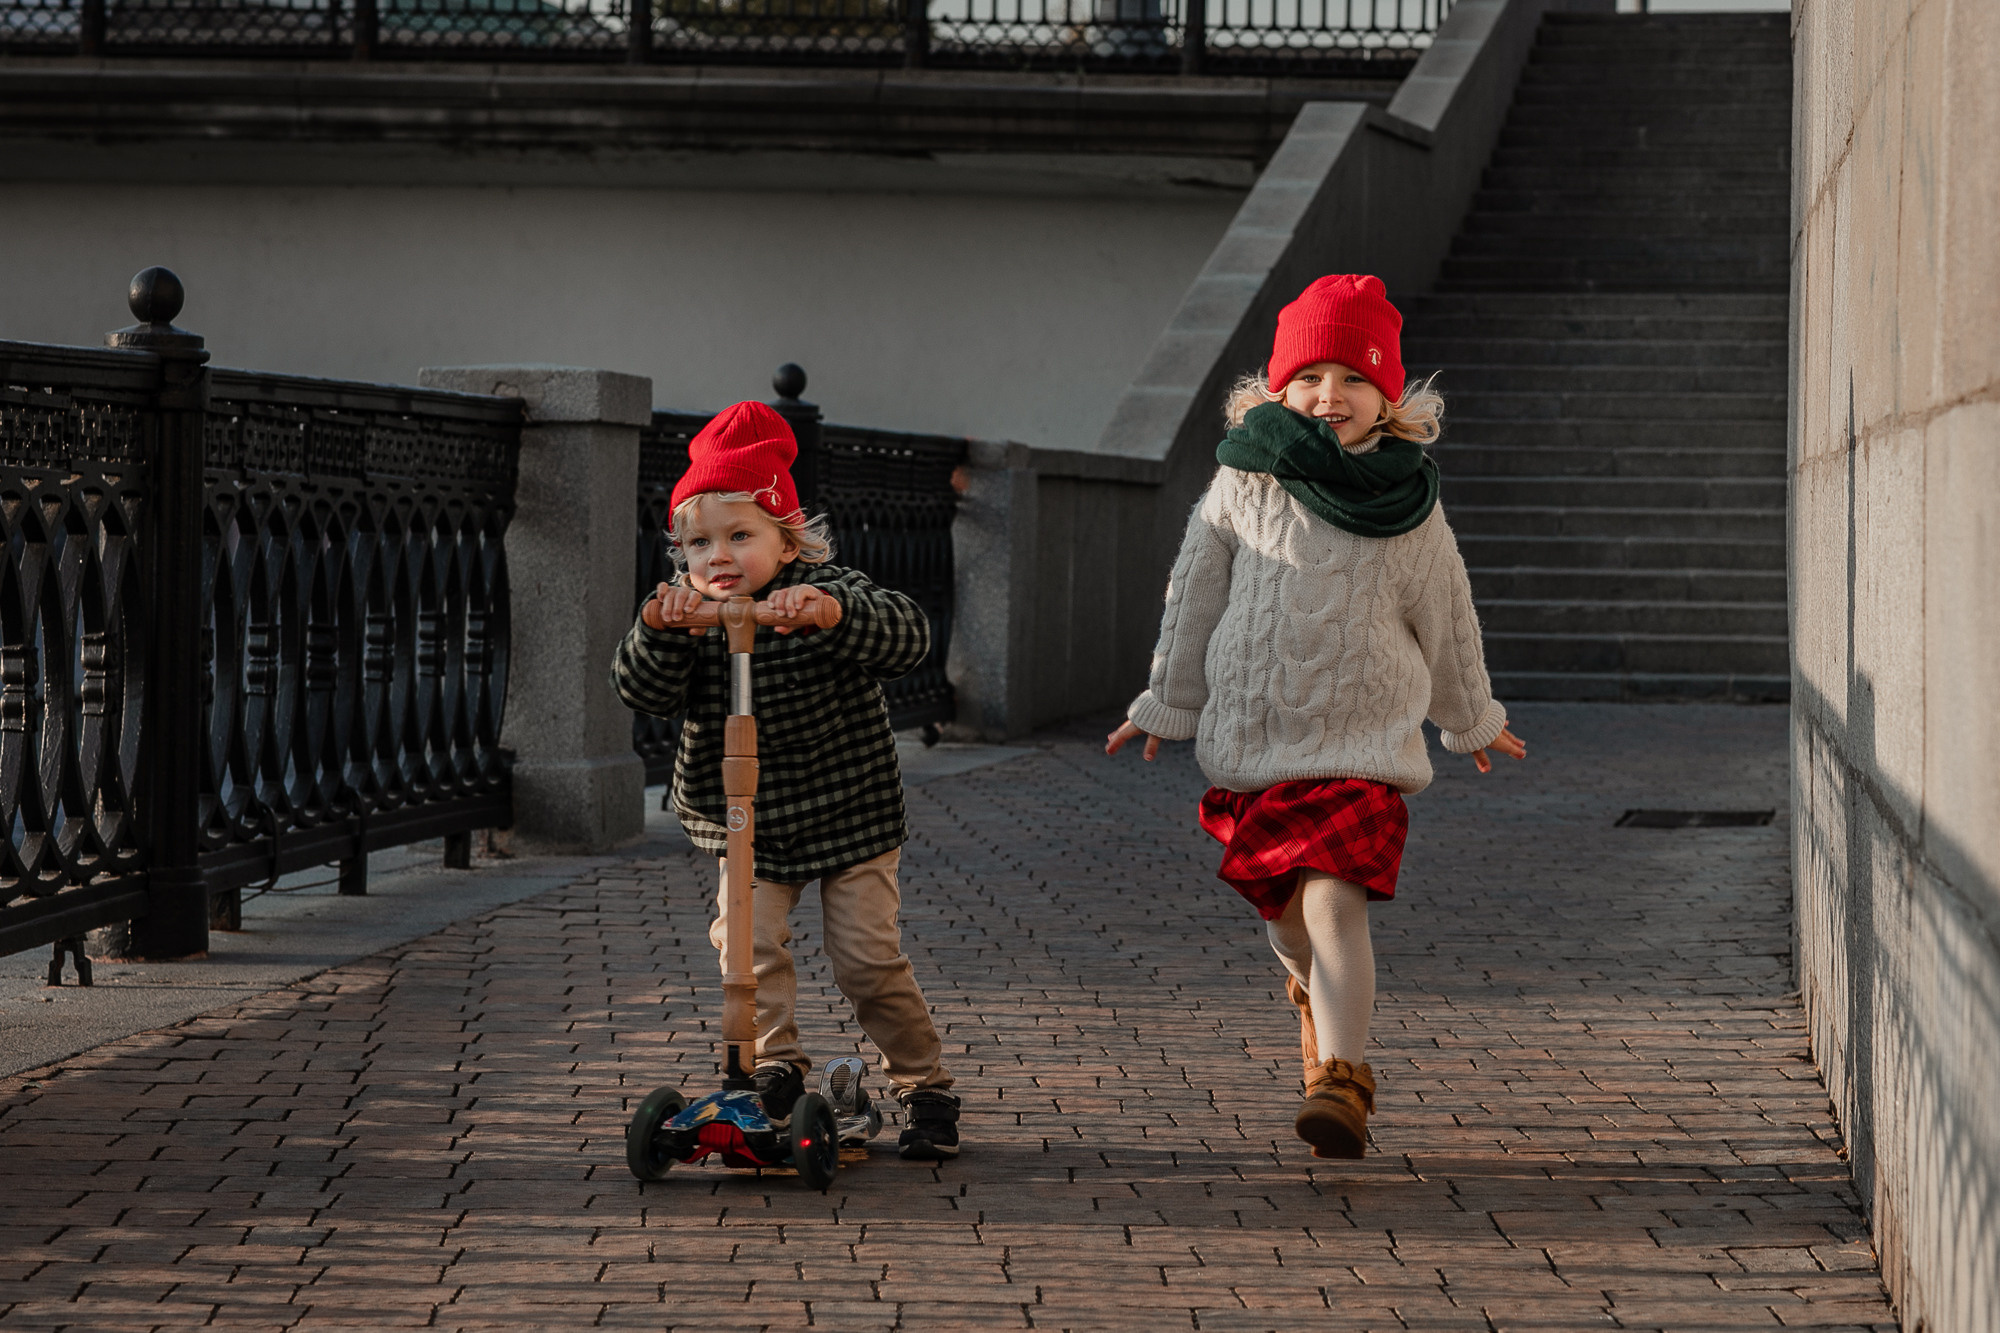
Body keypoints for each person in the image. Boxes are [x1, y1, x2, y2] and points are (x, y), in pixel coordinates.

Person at [1106, 274, 1526, 1160]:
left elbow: (1446, 616)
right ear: (1277, 388)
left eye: (1353, 378)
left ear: (1390, 397)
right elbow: (1193, 597)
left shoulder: (1409, 501)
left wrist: (1471, 715)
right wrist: (1167, 700)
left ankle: (1342, 1079)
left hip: (1363, 749)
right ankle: (1310, 991)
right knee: (1290, 923)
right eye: (1308, 378)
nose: (1328, 396)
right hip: (1259, 747)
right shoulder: (1242, 483)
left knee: (1335, 904)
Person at [611, 400, 962, 1160]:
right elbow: (638, 690)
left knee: (866, 959)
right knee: (746, 948)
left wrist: (833, 612)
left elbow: (909, 633)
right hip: (748, 824)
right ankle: (772, 1067)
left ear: (788, 535)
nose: (719, 556)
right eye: (699, 541)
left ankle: (924, 1084)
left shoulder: (825, 590)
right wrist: (658, 631)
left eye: (741, 535)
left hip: (849, 813)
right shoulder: (685, 611)